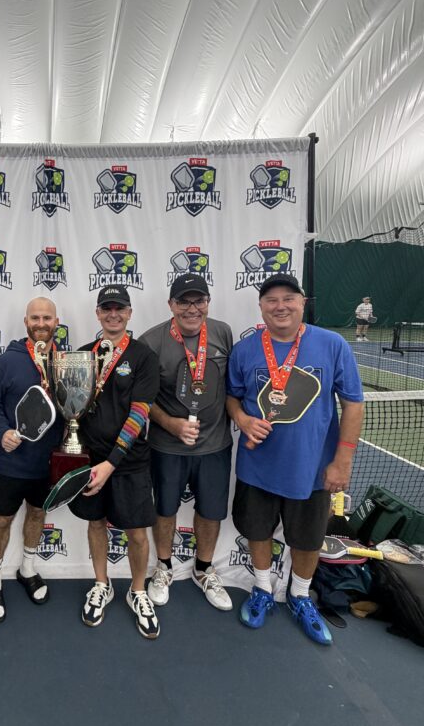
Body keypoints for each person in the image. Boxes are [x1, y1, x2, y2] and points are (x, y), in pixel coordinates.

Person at [226, 273, 364, 645]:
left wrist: (343, 461)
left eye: (289, 298)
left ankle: (300, 595)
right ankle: (262, 588)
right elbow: (233, 397)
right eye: (271, 300)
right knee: (257, 531)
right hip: (258, 466)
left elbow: (353, 403)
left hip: (313, 469)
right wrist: (241, 419)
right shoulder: (245, 350)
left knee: (307, 539)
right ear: (261, 307)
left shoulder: (331, 344)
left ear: (303, 303)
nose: (280, 306)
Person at [68, 285, 161, 639]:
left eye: (119, 308)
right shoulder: (80, 356)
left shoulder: (143, 356)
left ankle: (137, 590)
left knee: (136, 531)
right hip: (89, 459)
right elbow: (72, 410)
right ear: (97, 313)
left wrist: (111, 464)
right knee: (96, 524)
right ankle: (102, 583)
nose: (113, 314)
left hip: (129, 461)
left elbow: (139, 415)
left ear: (129, 313)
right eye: (106, 308)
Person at [139, 273, 233, 612]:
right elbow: (142, 400)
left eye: (198, 300)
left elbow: (231, 388)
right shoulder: (151, 341)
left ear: (207, 303)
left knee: (210, 512)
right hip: (167, 447)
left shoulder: (222, 333)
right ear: (171, 305)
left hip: (216, 445)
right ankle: (163, 567)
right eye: (183, 301)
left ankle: (204, 569)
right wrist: (171, 424)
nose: (192, 308)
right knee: (164, 509)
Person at [0, 297, 64, 622]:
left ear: (56, 321)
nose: (41, 323)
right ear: (25, 321)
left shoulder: (67, 362)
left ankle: (27, 568)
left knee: (37, 514)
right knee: (1, 520)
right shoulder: (7, 361)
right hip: (12, 462)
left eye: (47, 317)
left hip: (49, 462)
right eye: (35, 317)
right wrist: (2, 431)